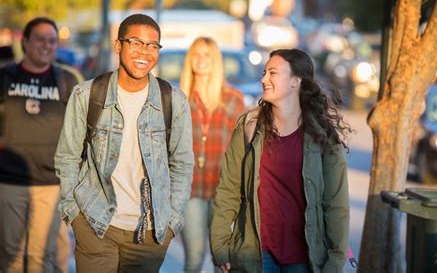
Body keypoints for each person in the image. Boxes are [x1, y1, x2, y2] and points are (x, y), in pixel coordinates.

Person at [54, 13, 194, 272]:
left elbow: (183, 164)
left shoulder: (174, 101)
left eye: (153, 45)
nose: (145, 52)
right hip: (95, 225)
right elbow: (68, 156)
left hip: (149, 234)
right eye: (136, 43)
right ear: (118, 46)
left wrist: (173, 221)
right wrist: (74, 214)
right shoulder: (86, 95)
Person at [210, 49, 352, 272]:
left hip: (304, 256)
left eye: (273, 73)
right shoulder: (249, 127)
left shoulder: (322, 136)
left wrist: (335, 260)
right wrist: (220, 244)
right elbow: (228, 189)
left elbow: (336, 204)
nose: (264, 79)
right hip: (256, 253)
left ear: (296, 81)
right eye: (265, 73)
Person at [0, 17, 82, 272]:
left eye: (52, 40)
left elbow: (80, 131)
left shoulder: (67, 80)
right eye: (40, 39)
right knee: (9, 255)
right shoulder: (5, 76)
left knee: (41, 256)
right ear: (25, 41)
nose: (46, 45)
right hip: (9, 179)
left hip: (50, 183)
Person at [179, 37, 245, 272]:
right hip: (191, 189)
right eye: (196, 54)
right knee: (194, 259)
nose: (201, 60)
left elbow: (243, 147)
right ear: (190, 60)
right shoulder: (179, 101)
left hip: (224, 191)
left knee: (224, 261)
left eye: (207, 55)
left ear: (216, 61)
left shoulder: (233, 100)